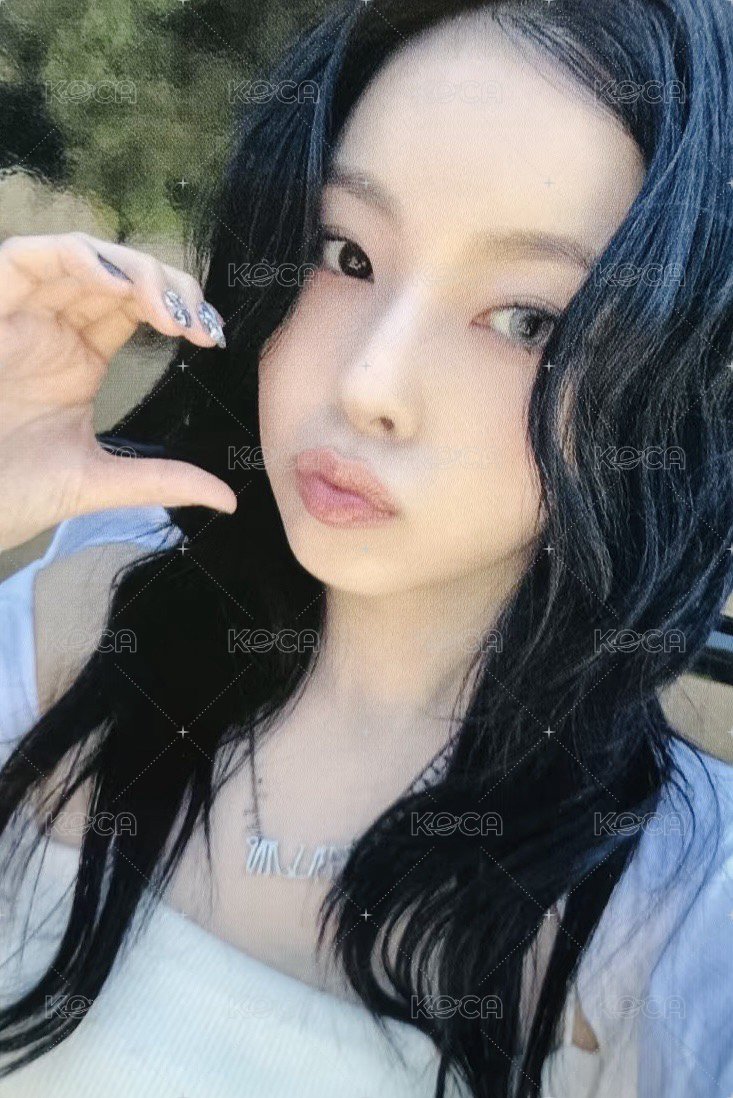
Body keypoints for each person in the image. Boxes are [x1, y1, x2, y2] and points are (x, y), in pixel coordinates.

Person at [1, 1, 732, 1095]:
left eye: (528, 321)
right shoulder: (87, 627)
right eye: (345, 253)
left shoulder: (669, 913)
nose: (369, 384)